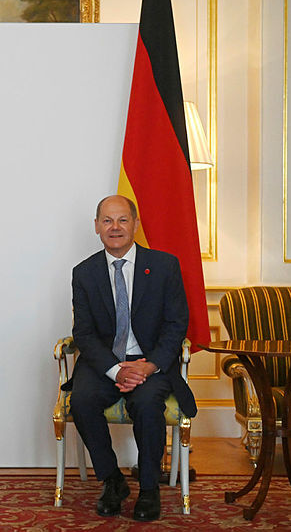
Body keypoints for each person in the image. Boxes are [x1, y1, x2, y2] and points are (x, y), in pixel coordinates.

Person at [64, 195, 197, 522]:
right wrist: (114, 370)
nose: (115, 227)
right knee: (81, 401)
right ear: (96, 227)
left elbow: (176, 323)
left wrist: (148, 366)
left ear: (135, 224)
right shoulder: (84, 273)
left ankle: (149, 488)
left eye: (122, 220)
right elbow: (83, 333)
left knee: (149, 403)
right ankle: (112, 481)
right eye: (107, 220)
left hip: (150, 362)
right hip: (105, 364)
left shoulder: (165, 266)